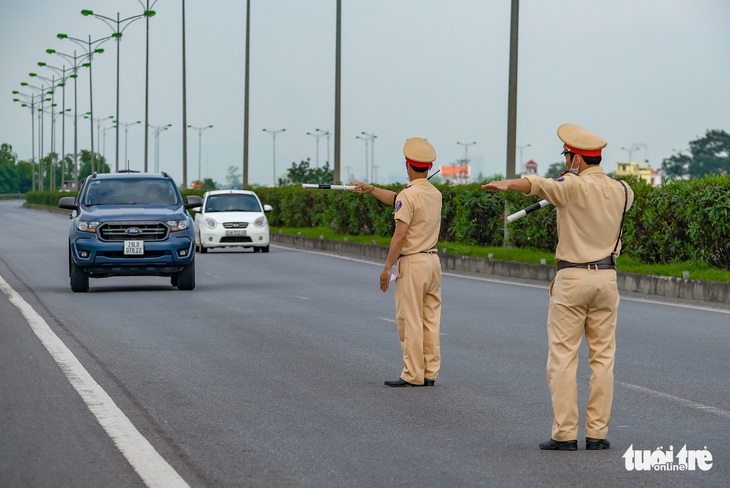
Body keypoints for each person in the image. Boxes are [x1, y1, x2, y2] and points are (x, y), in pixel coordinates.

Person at [482, 123, 634, 451]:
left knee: (564, 357)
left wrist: (507, 183)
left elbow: (537, 184)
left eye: (567, 156)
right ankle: (597, 433)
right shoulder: (624, 190)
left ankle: (565, 434)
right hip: (607, 279)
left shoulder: (571, 186)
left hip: (573, 279)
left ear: (577, 159)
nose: (566, 161)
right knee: (603, 359)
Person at [352, 137, 443, 387]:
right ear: (428, 166)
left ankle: (412, 373)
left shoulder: (408, 195)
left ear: (407, 165)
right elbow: (396, 198)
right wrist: (371, 189)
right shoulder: (435, 194)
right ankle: (429, 372)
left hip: (412, 264)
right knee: (430, 320)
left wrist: (387, 267)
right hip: (433, 262)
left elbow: (400, 234)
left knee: (410, 320)